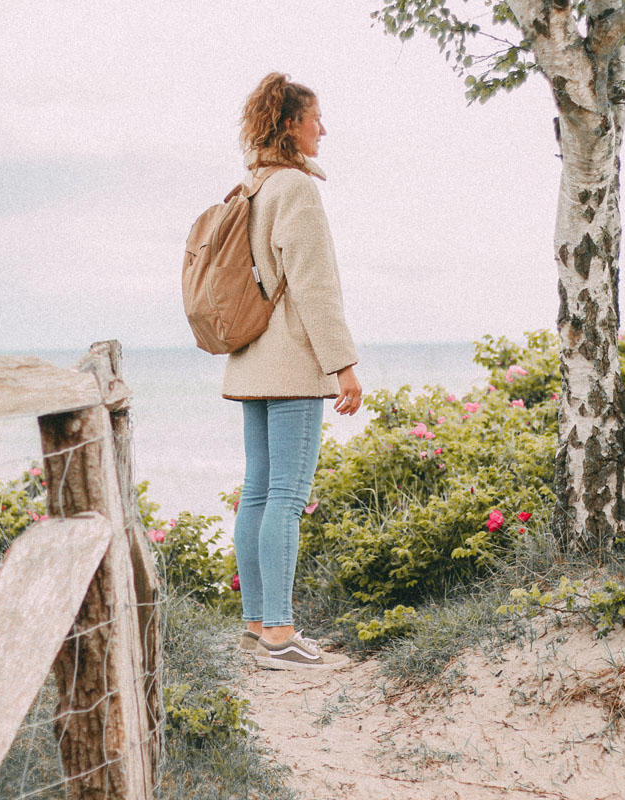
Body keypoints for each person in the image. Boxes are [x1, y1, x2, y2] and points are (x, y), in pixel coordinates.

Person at [225, 72, 361, 670]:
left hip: (251, 360)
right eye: (314, 119)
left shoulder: (250, 189)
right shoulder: (296, 191)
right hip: (292, 365)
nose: (323, 129)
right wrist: (344, 366)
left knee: (256, 494)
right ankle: (280, 634)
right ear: (289, 124)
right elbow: (315, 287)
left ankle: (256, 626)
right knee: (286, 497)